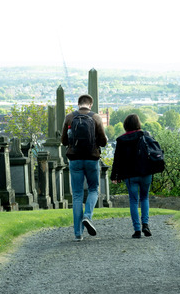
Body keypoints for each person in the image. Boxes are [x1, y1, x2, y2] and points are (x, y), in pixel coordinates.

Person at [61, 94, 107, 241]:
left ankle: (78, 234)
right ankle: (87, 216)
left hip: (74, 159)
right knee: (93, 189)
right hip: (92, 158)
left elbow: (63, 140)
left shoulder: (69, 117)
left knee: (77, 195)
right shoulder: (96, 117)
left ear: (78, 104)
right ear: (90, 104)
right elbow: (104, 141)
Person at [110, 114, 153, 239]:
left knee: (133, 201)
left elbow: (117, 160)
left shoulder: (121, 140)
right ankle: (145, 224)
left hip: (130, 175)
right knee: (145, 198)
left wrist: (114, 176)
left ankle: (137, 230)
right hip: (145, 172)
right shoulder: (146, 135)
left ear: (125, 125)